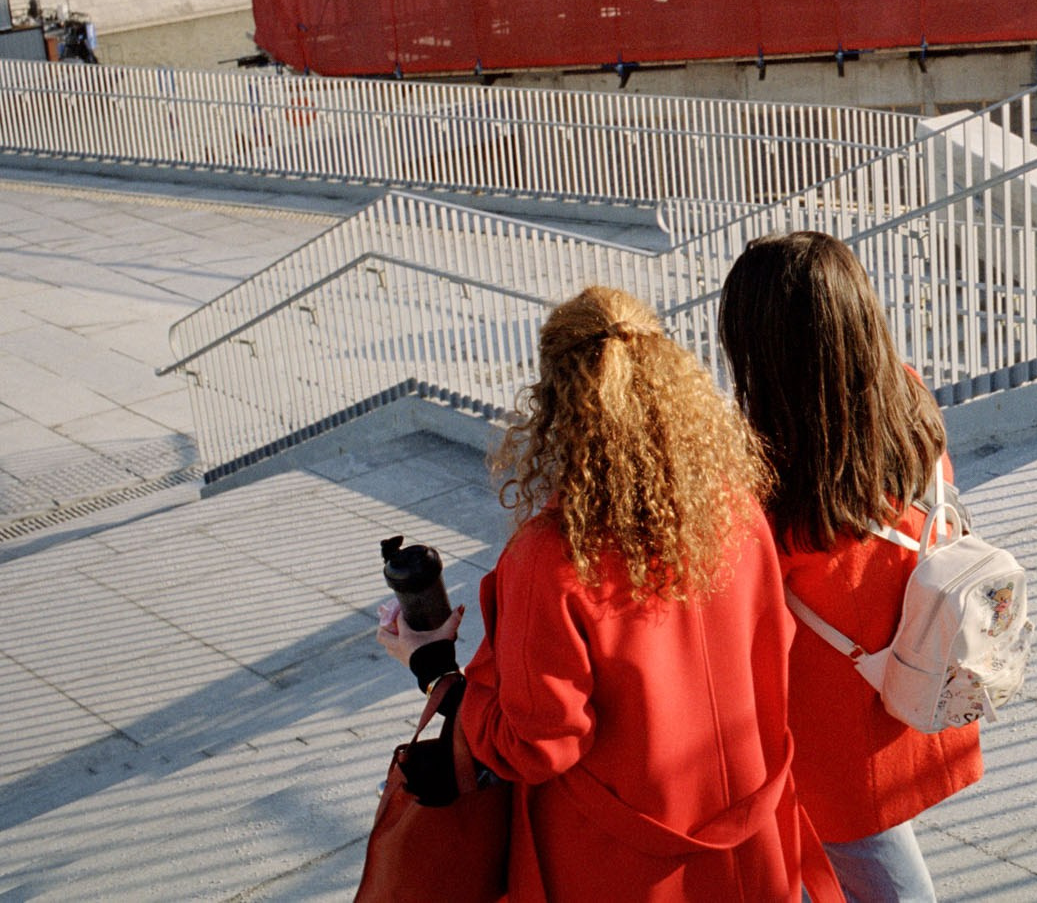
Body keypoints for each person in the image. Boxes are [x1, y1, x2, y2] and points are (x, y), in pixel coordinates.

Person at [376, 286, 833, 902]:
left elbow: (537, 744)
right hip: (752, 843)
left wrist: (435, 668)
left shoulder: (551, 560)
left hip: (624, 865)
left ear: (555, 404)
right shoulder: (738, 512)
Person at [718, 232, 982, 903]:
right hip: (911, 681)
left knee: (883, 879)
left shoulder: (767, 478)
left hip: (829, 738)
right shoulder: (910, 404)